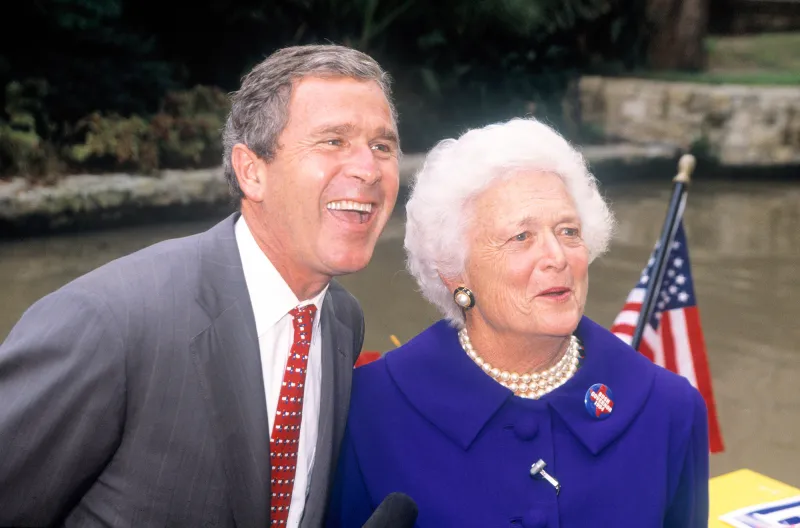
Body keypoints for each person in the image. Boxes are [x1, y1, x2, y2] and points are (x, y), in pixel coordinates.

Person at [0, 44, 400, 527]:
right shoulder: (107, 321)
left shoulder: (340, 320)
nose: (369, 168)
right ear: (252, 171)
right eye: (333, 141)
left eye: (383, 146)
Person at [326, 118, 709, 527]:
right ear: (455, 272)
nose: (557, 257)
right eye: (521, 237)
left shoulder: (669, 410)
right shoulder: (367, 411)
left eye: (568, 231)